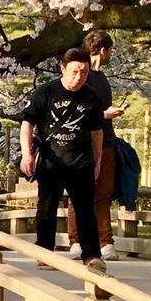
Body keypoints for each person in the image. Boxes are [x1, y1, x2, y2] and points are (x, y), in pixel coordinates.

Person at [20, 49, 107, 275]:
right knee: (46, 209)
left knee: (86, 210)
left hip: (81, 162)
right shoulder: (46, 92)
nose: (79, 77)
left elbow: (97, 132)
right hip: (51, 162)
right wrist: (27, 154)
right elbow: (27, 123)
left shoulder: (91, 96)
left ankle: (92, 255)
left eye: (84, 72)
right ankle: (45, 251)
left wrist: (97, 161)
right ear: (63, 69)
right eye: (75, 72)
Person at [68, 30, 122, 259]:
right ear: (103, 50)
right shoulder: (83, 76)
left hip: (106, 140)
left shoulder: (101, 77)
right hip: (82, 142)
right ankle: (77, 240)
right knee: (79, 193)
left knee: (103, 192)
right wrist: (105, 114)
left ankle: (104, 240)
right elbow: (74, 109)